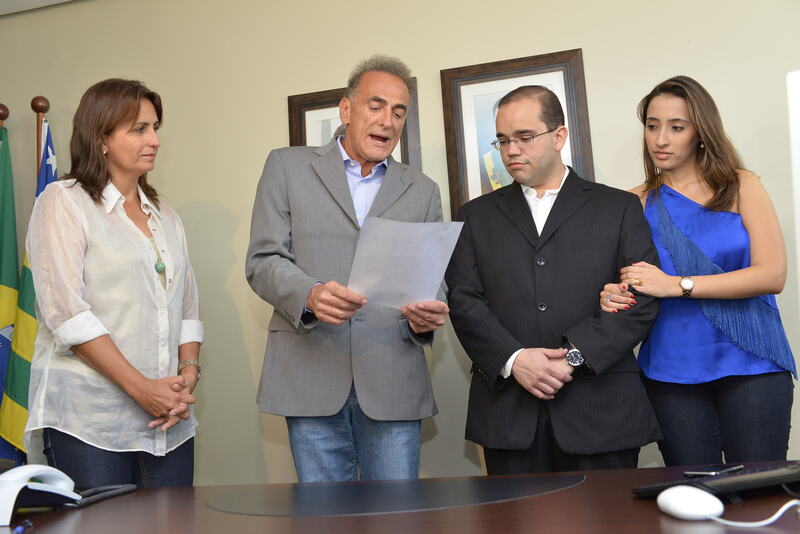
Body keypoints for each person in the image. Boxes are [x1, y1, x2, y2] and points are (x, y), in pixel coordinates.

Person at [246, 55, 448, 483]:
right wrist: (309, 294)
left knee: (397, 514)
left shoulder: (423, 190)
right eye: (376, 106)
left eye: (399, 112)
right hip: (310, 376)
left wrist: (428, 314)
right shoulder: (286, 166)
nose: (388, 121)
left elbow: (433, 281)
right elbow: (263, 260)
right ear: (346, 110)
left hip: (393, 382)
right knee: (323, 515)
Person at [445, 85, 662, 475]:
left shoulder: (618, 207)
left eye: (525, 137)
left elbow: (641, 297)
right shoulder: (475, 216)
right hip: (509, 415)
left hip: (601, 412)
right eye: (503, 140)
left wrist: (573, 357)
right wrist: (516, 360)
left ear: (559, 136)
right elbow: (464, 302)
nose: (511, 150)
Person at [600, 76, 796, 466]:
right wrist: (610, 294)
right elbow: (626, 281)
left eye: (677, 127)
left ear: (701, 133)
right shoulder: (631, 202)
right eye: (652, 126)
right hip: (670, 374)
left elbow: (772, 274)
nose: (660, 139)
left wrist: (678, 285)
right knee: (694, 495)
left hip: (753, 364)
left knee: (759, 492)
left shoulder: (741, 185)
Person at [24, 79, 203, 489]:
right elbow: (67, 315)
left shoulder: (166, 216)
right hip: (90, 421)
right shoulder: (63, 201)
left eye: (155, 127)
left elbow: (187, 310)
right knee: (103, 521)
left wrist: (187, 376)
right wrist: (142, 389)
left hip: (169, 421)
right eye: (139, 129)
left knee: (177, 522)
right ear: (101, 138)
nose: (155, 140)